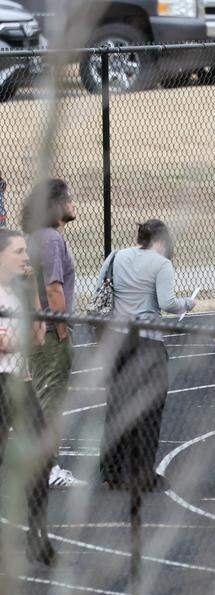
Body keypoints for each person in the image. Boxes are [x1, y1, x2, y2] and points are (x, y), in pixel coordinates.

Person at [96, 220, 196, 491]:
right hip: (147, 341)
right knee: (149, 409)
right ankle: (142, 473)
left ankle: (112, 471)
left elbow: (99, 293)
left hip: (118, 340)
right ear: (161, 240)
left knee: (117, 405)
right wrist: (187, 303)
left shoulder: (115, 257)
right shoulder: (161, 263)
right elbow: (167, 303)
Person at [21, 179, 84, 489]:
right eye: (68, 199)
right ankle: (48, 467)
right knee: (52, 397)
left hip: (39, 330)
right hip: (48, 332)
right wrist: (60, 329)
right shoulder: (50, 239)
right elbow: (53, 287)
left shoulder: (39, 237)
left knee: (44, 395)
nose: (74, 204)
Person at [0, 229, 55, 565]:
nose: (25, 257)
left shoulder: (15, 293)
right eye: (18, 251)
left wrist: (33, 292)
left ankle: (38, 535)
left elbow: (38, 337)